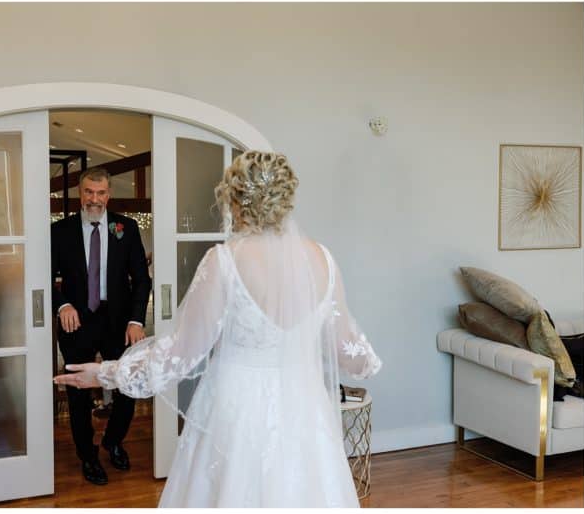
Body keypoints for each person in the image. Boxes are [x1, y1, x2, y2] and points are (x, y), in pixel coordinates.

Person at [55, 151, 382, 507]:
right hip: (304, 411)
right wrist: (368, 362)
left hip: (237, 411)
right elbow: (353, 353)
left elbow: (181, 353)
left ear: (235, 199)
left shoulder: (225, 260)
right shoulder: (322, 259)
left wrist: (107, 373)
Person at [51, 167, 151, 485]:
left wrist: (136, 320)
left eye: (101, 193)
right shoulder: (59, 231)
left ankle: (113, 441)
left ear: (109, 194)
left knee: (127, 383)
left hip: (118, 321)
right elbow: (44, 278)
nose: (94, 199)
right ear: (79, 193)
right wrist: (62, 305)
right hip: (77, 320)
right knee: (78, 390)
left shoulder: (126, 227)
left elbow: (141, 279)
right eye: (89, 192)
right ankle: (88, 455)